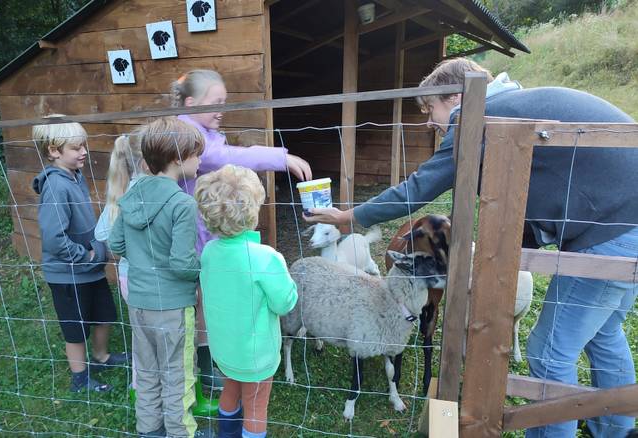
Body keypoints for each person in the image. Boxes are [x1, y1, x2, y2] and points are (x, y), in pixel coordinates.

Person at [305, 58, 638, 438]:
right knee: (603, 332)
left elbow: (418, 189)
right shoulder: (516, 105)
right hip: (626, 221)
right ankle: (616, 430)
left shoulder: (477, 116)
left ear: (456, 96)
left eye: (431, 108)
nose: (430, 122)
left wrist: (348, 217)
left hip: (614, 231)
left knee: (549, 350)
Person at [172, 69, 311, 389]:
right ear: (191, 103)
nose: (222, 109)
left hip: (205, 235)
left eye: (225, 102)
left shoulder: (197, 129)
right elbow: (225, 156)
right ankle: (209, 369)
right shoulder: (187, 136)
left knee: (209, 301)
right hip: (196, 239)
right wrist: (282, 158)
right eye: (215, 102)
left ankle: (211, 363)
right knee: (203, 303)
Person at [108, 117, 209, 438]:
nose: (201, 160)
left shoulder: (131, 195)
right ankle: (182, 433)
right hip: (173, 307)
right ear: (178, 159)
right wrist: (204, 270)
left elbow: (116, 243)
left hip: (138, 302)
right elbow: (182, 263)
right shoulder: (182, 204)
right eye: (197, 153)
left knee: (148, 372)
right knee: (178, 374)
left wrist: (142, 257)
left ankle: (149, 431)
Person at [194, 164, 298, 438]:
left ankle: (225, 434)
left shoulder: (209, 251)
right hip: (256, 353)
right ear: (253, 210)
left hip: (224, 348)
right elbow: (284, 304)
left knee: (231, 389)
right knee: (256, 405)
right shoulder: (266, 258)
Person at [31, 114, 128, 393]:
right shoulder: (56, 186)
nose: (84, 151)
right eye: (76, 148)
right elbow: (53, 238)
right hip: (68, 273)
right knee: (75, 327)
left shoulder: (74, 176)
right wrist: (85, 256)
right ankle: (79, 378)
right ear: (53, 151)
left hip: (90, 269)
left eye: (83, 145)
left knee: (104, 314)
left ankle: (101, 357)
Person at [95, 130, 147, 396]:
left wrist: (124, 249)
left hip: (127, 277)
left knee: (140, 333)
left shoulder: (119, 193)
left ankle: (139, 385)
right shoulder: (145, 190)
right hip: (151, 279)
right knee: (160, 334)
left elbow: (101, 233)